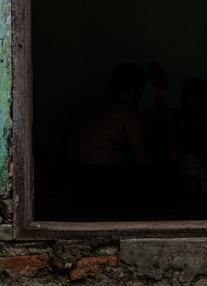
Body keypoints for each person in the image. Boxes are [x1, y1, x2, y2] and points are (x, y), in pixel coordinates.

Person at [62, 63, 159, 194]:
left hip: (72, 180)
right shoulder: (126, 112)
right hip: (103, 183)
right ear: (131, 91)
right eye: (140, 94)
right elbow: (143, 159)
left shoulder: (85, 106)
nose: (140, 100)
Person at [163, 77, 207, 193]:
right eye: (186, 100)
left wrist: (184, 153)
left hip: (204, 179)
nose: (189, 105)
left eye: (194, 101)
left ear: (204, 102)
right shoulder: (177, 117)